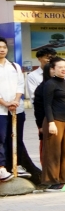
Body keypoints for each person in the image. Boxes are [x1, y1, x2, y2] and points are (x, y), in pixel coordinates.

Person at [35, 57, 65, 190]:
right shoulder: (50, 84)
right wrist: (51, 123)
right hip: (54, 120)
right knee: (53, 152)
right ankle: (51, 181)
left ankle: (62, 179)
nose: (64, 69)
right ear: (53, 69)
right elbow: (47, 105)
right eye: (60, 67)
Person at [0, 38, 35, 183]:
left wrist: (15, 101)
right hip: (1, 110)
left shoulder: (14, 66)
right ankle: (2, 168)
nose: (2, 49)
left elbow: (20, 85)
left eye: (4, 47)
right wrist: (5, 103)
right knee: (1, 139)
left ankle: (16, 164)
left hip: (16, 109)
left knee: (16, 137)